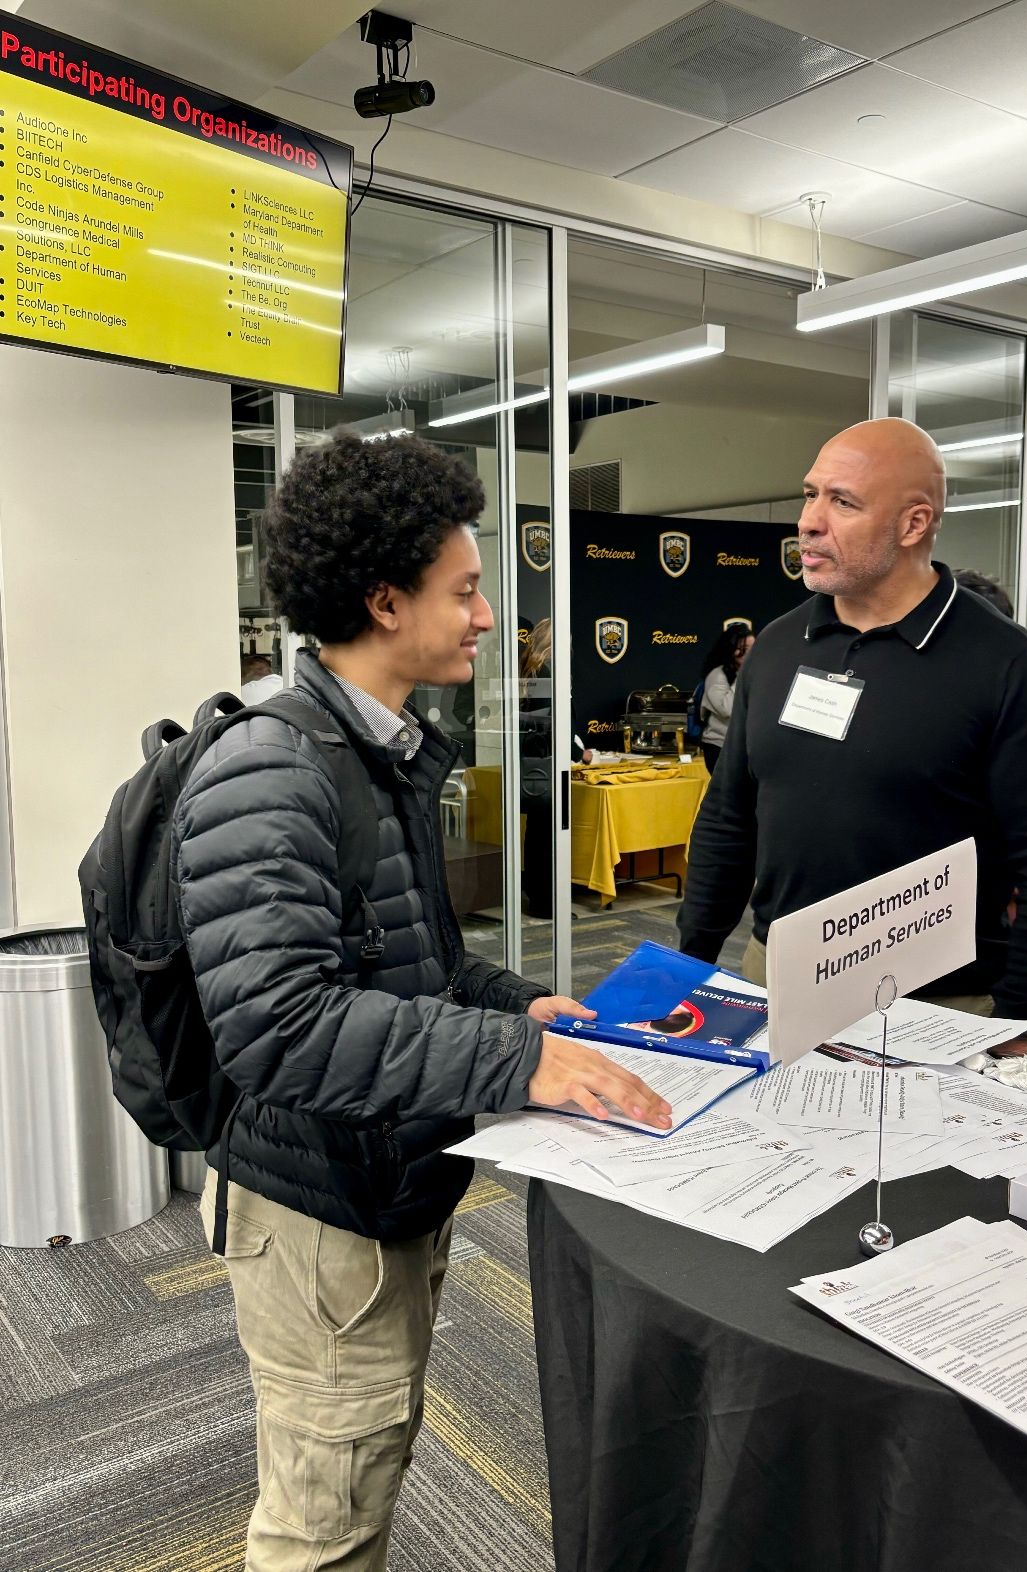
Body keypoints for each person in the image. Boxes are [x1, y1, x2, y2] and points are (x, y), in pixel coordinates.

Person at [175, 432, 671, 1570]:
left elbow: (413, 964)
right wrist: (511, 1067)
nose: (490, 616)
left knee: (367, 1461)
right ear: (385, 602)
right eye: (466, 590)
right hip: (321, 1217)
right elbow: (279, 1026)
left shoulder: (380, 753)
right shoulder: (275, 768)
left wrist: (518, 1010)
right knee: (323, 1518)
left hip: (386, 1181)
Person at [678, 417, 1027, 1019]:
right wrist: (691, 958)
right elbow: (729, 814)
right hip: (777, 976)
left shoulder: (1010, 668)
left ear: (913, 523)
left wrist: (1011, 1012)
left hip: (939, 1003)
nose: (809, 522)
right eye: (810, 494)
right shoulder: (777, 645)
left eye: (842, 502)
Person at [518, 615, 591, 918]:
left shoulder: (530, 670)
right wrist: (578, 752)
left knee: (538, 835)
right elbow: (553, 725)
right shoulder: (547, 675)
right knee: (548, 837)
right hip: (550, 766)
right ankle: (547, 903)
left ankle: (539, 898)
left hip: (537, 766)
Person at [699, 623, 755, 773]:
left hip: (744, 747)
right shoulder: (717, 675)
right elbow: (727, 709)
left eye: (753, 647)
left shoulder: (754, 674)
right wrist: (743, 674)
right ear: (732, 649)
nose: (750, 653)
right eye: (745, 648)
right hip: (719, 747)